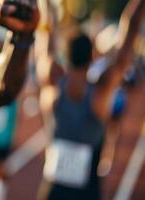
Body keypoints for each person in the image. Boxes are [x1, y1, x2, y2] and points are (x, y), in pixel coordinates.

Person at [35, 0, 145, 199]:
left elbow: (45, 35)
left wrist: (44, 4)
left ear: (65, 56)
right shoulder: (100, 94)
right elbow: (130, 28)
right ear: (92, 57)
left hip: (53, 189)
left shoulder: (52, 85)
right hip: (87, 192)